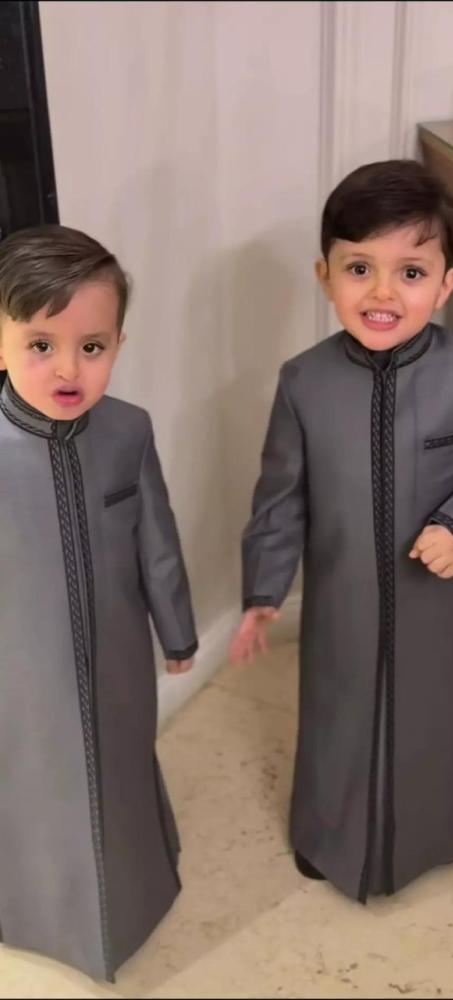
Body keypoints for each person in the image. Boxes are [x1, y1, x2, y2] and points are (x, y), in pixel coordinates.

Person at [230, 159, 453, 902]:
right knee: (340, 718)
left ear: (446, 284)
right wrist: (263, 591)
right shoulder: (304, 382)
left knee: (442, 719)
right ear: (325, 276)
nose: (382, 293)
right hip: (345, 603)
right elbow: (279, 499)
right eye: (359, 268)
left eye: (410, 272)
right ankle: (330, 836)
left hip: (446, 604)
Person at [0, 225, 197, 981]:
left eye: (91, 346)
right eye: (40, 344)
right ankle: (40, 914)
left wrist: (177, 633)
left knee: (121, 769)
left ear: (118, 343)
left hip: (118, 661)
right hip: (21, 676)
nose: (68, 368)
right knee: (35, 787)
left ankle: (138, 889)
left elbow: (158, 542)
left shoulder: (127, 432)